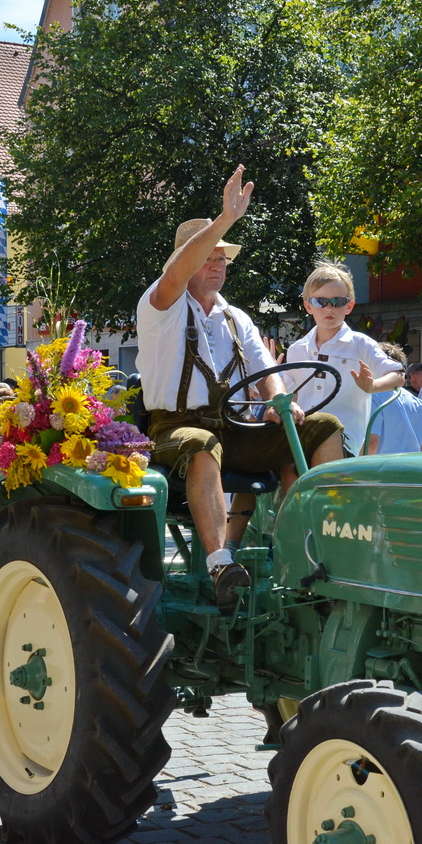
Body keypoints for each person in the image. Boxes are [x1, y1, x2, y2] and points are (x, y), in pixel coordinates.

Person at [136, 167, 344, 610]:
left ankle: (313, 550)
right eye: (208, 257)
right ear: (187, 262)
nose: (217, 266)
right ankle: (219, 564)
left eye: (222, 259)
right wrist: (226, 219)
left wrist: (276, 402)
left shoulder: (236, 317)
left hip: (234, 429)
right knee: (201, 443)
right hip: (173, 430)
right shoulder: (161, 306)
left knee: (323, 427)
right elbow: (176, 275)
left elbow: (265, 368)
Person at [283, 263, 404, 456]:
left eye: (337, 301)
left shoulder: (360, 344)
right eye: (320, 301)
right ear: (308, 306)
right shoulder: (297, 349)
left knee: (319, 452)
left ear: (349, 306)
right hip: (304, 434)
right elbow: (284, 394)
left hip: (345, 438)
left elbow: (397, 376)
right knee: (283, 461)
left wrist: (372, 385)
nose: (329, 308)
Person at [366, 345, 422, 455]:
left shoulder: (373, 396)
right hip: (410, 468)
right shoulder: (414, 400)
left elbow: (372, 443)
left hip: (382, 469)